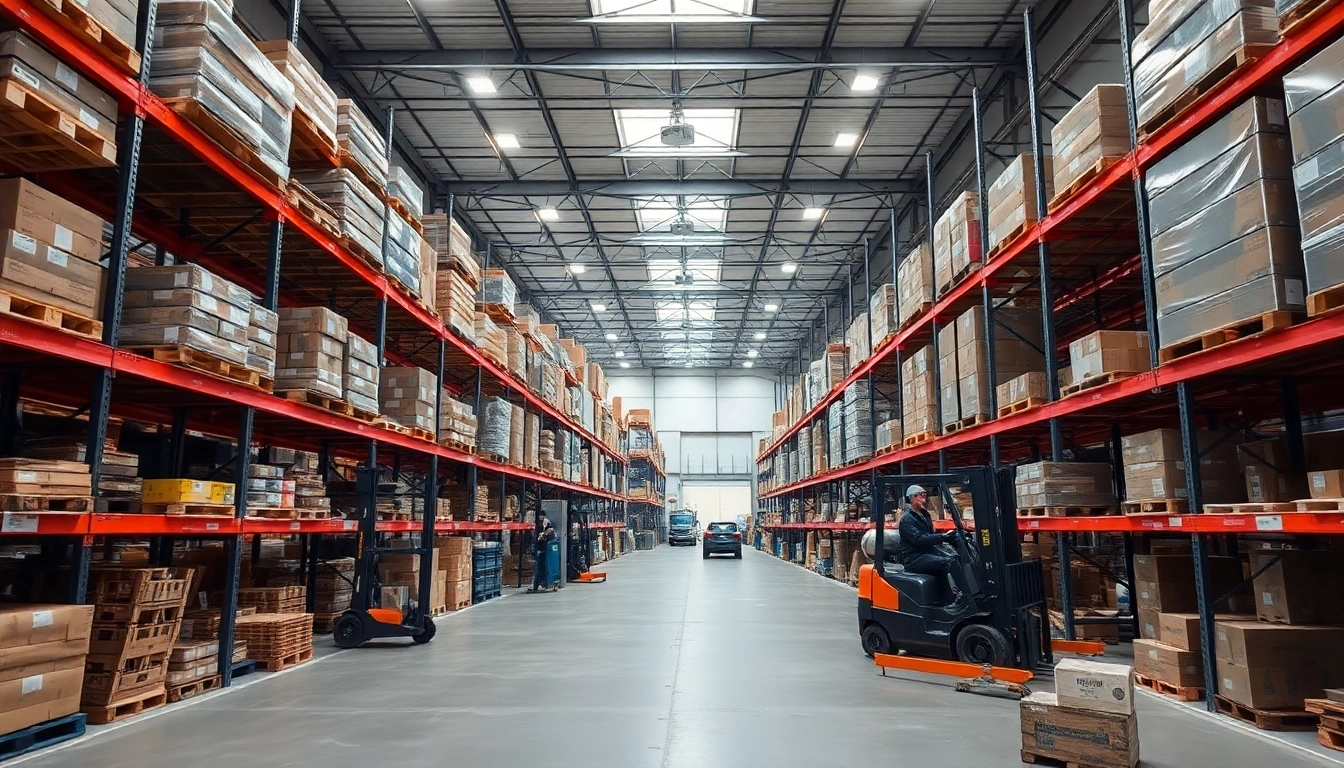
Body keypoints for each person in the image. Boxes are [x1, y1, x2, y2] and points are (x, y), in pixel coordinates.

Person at [897, 484, 971, 609]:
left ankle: (949, 599)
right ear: (912, 498)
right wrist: (943, 537)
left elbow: (931, 535)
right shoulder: (907, 520)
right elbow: (919, 539)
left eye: (924, 495)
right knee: (950, 561)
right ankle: (966, 596)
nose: (924, 498)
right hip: (914, 558)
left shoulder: (924, 514)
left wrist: (949, 537)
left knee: (956, 556)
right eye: (920, 495)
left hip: (927, 552)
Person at [528, 510, 556, 593]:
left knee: (541, 567)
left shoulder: (546, 523)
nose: (540, 517)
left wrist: (543, 536)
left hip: (543, 549)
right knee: (539, 567)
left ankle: (540, 584)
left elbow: (549, 532)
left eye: (541, 515)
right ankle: (538, 584)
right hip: (540, 549)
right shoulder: (538, 523)